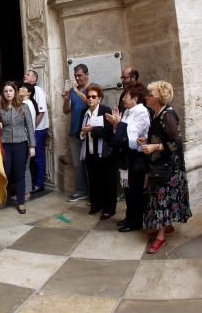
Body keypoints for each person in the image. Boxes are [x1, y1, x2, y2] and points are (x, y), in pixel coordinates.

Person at [139, 81, 192, 254]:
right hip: (159, 165)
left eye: (150, 95)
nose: (147, 97)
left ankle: (160, 237)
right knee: (161, 199)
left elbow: (176, 143)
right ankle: (166, 226)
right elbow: (159, 137)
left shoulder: (168, 115)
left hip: (170, 167)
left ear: (159, 98)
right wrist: (147, 143)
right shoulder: (155, 113)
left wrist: (155, 147)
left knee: (162, 200)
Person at [106, 88, 150, 231]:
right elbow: (119, 136)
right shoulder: (126, 112)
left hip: (136, 156)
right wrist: (115, 125)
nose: (123, 99)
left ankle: (135, 221)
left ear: (135, 98)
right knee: (127, 189)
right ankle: (129, 217)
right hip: (125, 155)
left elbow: (131, 138)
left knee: (135, 190)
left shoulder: (141, 112)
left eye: (126, 96)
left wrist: (118, 124)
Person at [79, 84, 117, 220]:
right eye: (88, 97)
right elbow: (81, 131)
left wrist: (92, 130)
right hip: (90, 153)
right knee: (93, 181)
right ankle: (96, 205)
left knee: (107, 182)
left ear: (99, 98)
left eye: (93, 97)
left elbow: (109, 132)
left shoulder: (106, 111)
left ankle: (109, 209)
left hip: (105, 154)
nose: (90, 99)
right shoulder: (85, 112)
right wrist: (83, 133)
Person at [0, 81, 35, 214]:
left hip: (21, 143)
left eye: (11, 91)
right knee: (5, 172)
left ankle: (20, 202)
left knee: (20, 174)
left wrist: (32, 146)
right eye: (6, 91)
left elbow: (30, 127)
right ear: (3, 93)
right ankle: (1, 197)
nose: (8, 93)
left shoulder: (23, 107)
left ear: (15, 92)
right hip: (5, 143)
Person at [62, 63, 91, 202]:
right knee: (78, 164)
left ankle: (94, 192)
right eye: (75, 76)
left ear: (86, 74)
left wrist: (76, 90)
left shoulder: (93, 88)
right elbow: (66, 110)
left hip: (89, 132)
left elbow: (90, 103)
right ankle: (81, 190)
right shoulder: (72, 92)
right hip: (74, 132)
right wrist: (67, 99)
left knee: (91, 163)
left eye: (79, 75)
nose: (77, 78)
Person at [23, 69, 48, 193]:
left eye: (28, 74)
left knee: (38, 156)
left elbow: (41, 111)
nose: (25, 76)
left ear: (35, 78)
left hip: (38, 129)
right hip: (33, 129)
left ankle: (39, 183)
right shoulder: (26, 91)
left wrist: (32, 128)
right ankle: (34, 182)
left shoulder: (38, 91)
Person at [18, 82, 39, 200]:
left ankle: (25, 192)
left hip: (25, 138)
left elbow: (27, 125)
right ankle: (26, 191)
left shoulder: (25, 104)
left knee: (23, 166)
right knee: (25, 166)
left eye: (23, 88)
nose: (20, 88)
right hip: (28, 138)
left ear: (29, 93)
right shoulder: (30, 103)